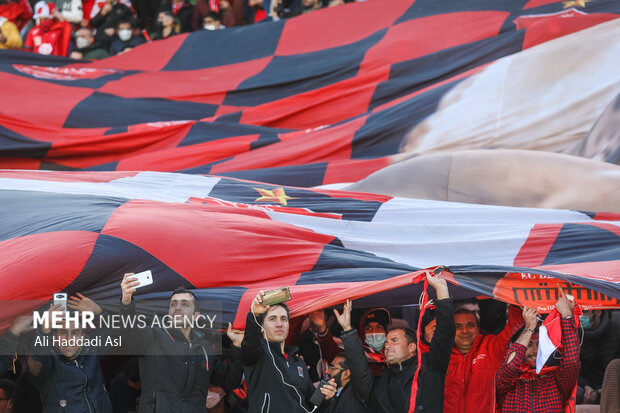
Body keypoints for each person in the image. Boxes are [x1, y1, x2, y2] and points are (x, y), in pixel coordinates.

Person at [120, 274, 244, 412]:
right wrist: (126, 301)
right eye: (173, 304)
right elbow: (131, 333)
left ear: (196, 316)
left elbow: (230, 380)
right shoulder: (153, 336)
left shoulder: (205, 348)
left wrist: (237, 346)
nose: (178, 308)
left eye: (185, 304)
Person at [340, 271, 455, 412]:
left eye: (394, 340)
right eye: (387, 342)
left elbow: (445, 334)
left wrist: (441, 290)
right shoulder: (381, 382)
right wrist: (347, 330)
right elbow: (360, 371)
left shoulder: (429, 366)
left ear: (412, 347)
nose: (387, 346)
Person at [242, 290, 338, 412]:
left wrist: (325, 397)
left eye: (284, 319)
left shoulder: (299, 362)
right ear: (261, 327)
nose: (279, 324)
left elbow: (311, 406)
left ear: (288, 326)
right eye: (272, 319)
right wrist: (255, 315)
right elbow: (249, 346)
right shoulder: (257, 352)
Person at [495, 288, 581, 412]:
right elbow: (509, 367)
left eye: (539, 344)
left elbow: (572, 361)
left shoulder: (556, 380)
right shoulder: (507, 382)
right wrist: (529, 327)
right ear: (516, 346)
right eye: (529, 344)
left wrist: (567, 316)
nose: (535, 350)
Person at [27, 294, 114, 413]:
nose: (69, 339)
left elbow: (117, 330)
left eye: (75, 333)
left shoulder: (91, 350)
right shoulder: (48, 361)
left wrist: (99, 312)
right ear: (54, 336)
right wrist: (44, 331)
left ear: (83, 336)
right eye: (63, 332)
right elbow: (36, 363)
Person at [443, 302, 524, 413]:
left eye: (470, 325)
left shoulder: (492, 345)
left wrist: (515, 302)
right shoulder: (441, 355)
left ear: (478, 328)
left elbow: (513, 325)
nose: (465, 331)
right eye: (458, 327)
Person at [309, 306, 390, 376]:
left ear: (386, 332)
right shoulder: (354, 351)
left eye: (379, 328)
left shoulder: (395, 354)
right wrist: (322, 328)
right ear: (362, 332)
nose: (374, 333)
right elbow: (331, 351)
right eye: (368, 328)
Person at [577, 309, 620, 404]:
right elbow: (574, 368)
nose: (580, 316)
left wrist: (599, 392)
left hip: (612, 387)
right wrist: (586, 387)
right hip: (585, 388)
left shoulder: (616, 332)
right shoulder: (576, 334)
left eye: (584, 312)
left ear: (598, 312)